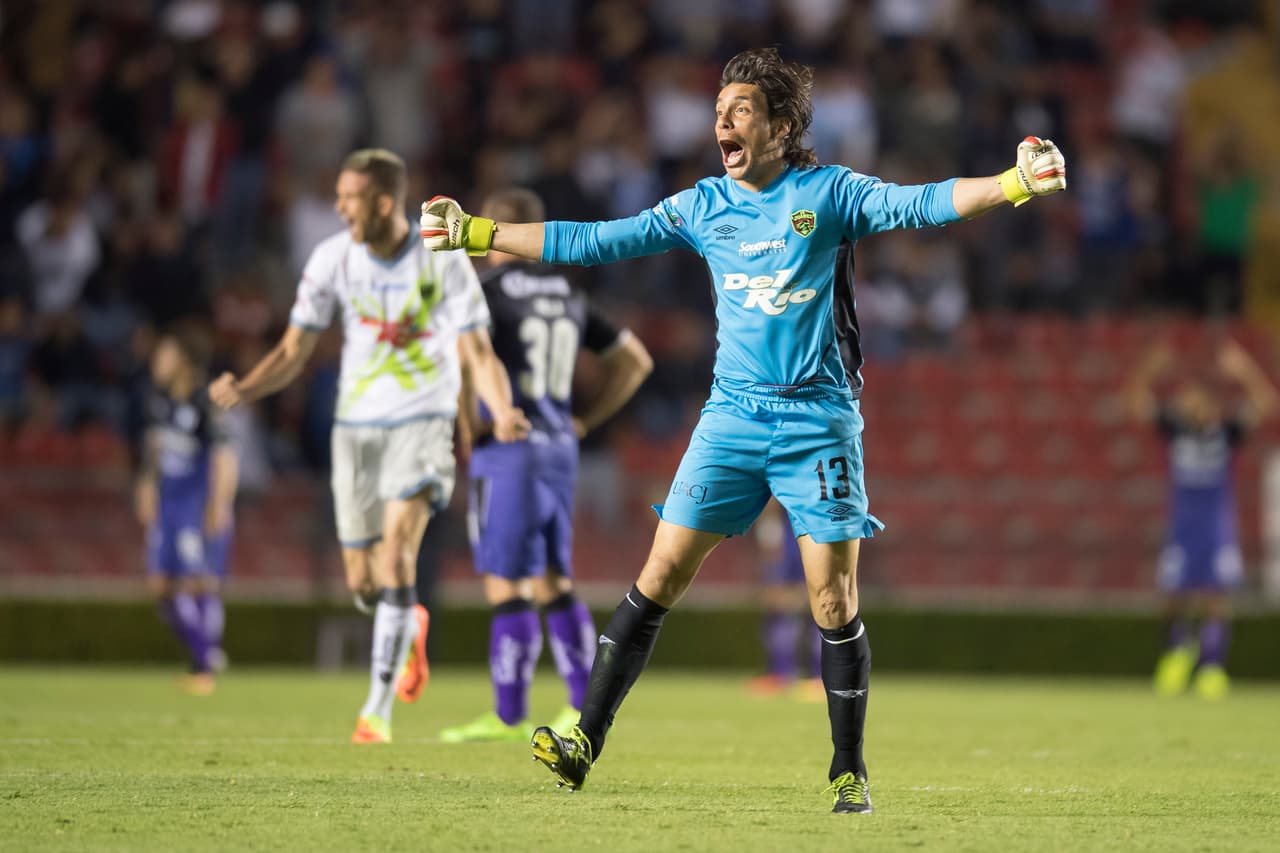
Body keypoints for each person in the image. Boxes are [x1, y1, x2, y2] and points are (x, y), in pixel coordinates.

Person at [421, 48, 1066, 812]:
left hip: (818, 417)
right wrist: (478, 233)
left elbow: (917, 204)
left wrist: (1013, 183)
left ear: (782, 126)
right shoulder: (703, 206)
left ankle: (848, 768)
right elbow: (595, 240)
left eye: (741, 110)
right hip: (731, 416)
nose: (722, 120)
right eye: (718, 109)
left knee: (831, 600)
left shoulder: (827, 194)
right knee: (658, 574)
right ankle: (584, 740)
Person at [210, 149, 530, 744]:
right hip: (355, 428)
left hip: (424, 421)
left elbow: (478, 352)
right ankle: (408, 624)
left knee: (396, 557)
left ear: (384, 202)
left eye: (349, 197)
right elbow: (292, 350)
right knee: (362, 581)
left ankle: (376, 712)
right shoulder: (332, 258)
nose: (338, 208)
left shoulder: (442, 260)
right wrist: (245, 387)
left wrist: (503, 407)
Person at [440, 187, 653, 744]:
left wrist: (468, 428)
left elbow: (472, 360)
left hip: (508, 446)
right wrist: (586, 420)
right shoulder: (569, 295)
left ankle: (507, 714)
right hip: (561, 444)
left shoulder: (487, 291)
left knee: (505, 581)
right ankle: (580, 707)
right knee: (553, 579)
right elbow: (636, 362)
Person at [1127, 339, 1277, 699]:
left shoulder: (1227, 433)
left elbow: (1267, 403)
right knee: (1172, 596)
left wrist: (1243, 371)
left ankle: (1211, 666)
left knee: (1216, 597)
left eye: (1192, 398)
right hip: (1182, 526)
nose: (1185, 404)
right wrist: (1149, 368)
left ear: (1209, 404)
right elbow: (1135, 402)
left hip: (1216, 526)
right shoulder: (1174, 431)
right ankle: (1177, 654)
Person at [135, 322, 236, 695]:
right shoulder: (157, 400)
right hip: (168, 502)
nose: (157, 360)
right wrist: (145, 486)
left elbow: (225, 457)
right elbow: (154, 449)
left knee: (199, 583)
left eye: (165, 353)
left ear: (184, 362)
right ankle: (206, 653)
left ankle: (203, 667)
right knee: (160, 587)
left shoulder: (206, 403)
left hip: (197, 503)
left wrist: (218, 504)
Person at [746, 501, 823, 700]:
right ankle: (782, 674)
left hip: (812, 532)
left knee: (821, 606)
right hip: (792, 535)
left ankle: (819, 677)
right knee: (779, 608)